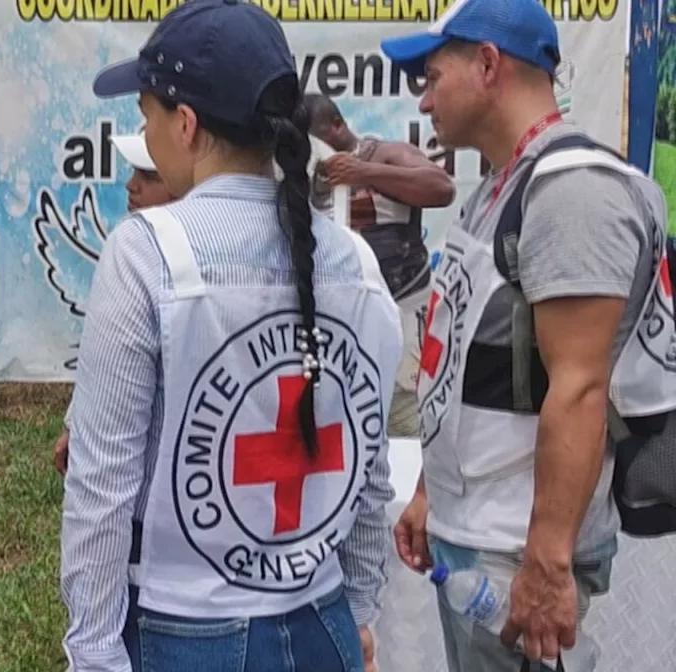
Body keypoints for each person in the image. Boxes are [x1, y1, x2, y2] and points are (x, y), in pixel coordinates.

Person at [59, 1, 403, 670]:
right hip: (321, 626)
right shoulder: (356, 262)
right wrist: (358, 614)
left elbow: (101, 489)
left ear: (185, 124)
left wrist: (94, 654)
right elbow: (370, 472)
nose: (143, 131)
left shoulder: (145, 253)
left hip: (183, 634)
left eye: (147, 116)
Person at [381, 0, 671, 668]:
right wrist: (431, 491)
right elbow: (461, 365)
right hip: (478, 534)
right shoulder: (497, 190)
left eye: (430, 76)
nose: (423, 102)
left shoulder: (573, 193)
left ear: (487, 65)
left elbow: (580, 387)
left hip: (516, 552)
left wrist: (546, 565)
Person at [302, 93, 455, 438]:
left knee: (409, 439)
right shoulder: (307, 173)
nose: (311, 150)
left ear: (337, 127)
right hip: (341, 335)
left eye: (313, 140)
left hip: (403, 322)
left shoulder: (385, 154)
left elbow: (441, 188)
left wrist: (363, 172)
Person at [52, 133, 178, 476]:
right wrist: (74, 422)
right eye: (135, 173)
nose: (130, 185)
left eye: (148, 177)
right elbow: (103, 358)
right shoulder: (130, 250)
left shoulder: (143, 259)